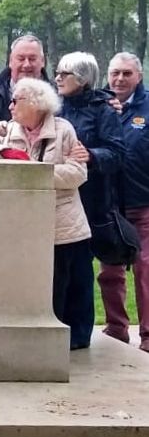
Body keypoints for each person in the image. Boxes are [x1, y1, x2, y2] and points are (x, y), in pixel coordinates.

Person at [0, 78, 91, 350]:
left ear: (34, 104)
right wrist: (6, 151)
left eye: (16, 101)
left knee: (67, 283)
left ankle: (72, 340)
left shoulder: (64, 130)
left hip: (63, 223)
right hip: (24, 222)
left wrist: (33, 173)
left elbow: (77, 173)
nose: (10, 106)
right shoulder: (9, 129)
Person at [53, 51, 125, 349]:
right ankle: (55, 327)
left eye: (63, 74)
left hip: (90, 199)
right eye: (56, 72)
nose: (56, 78)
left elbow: (117, 153)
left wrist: (91, 155)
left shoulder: (102, 110)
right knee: (59, 269)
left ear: (81, 79)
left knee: (81, 269)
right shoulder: (54, 107)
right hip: (58, 197)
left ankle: (80, 333)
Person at [97, 52, 149, 351]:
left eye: (126, 74)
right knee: (110, 270)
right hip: (110, 204)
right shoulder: (100, 106)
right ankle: (116, 327)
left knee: (145, 269)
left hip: (143, 202)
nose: (119, 79)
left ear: (138, 76)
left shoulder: (146, 107)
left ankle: (148, 334)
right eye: (115, 73)